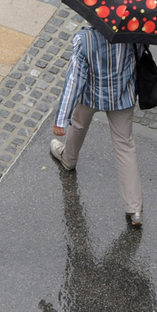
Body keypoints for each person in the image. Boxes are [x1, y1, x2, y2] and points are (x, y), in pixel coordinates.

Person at [50, 26, 143, 226]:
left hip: (90, 94)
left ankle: (68, 159)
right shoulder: (135, 33)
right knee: (125, 146)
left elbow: (75, 79)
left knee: (79, 124)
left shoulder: (85, 39)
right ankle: (134, 210)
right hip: (122, 95)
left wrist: (61, 118)